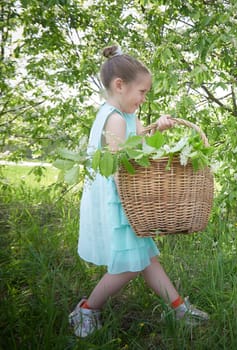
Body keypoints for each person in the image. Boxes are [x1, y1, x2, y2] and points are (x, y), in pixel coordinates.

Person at [69, 45, 209, 337]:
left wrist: (158, 130)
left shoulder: (128, 116)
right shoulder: (116, 118)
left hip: (129, 202)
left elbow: (142, 150)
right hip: (121, 202)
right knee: (130, 265)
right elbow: (123, 165)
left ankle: (179, 307)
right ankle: (86, 309)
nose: (143, 98)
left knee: (146, 260)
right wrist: (136, 204)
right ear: (120, 85)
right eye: (142, 92)